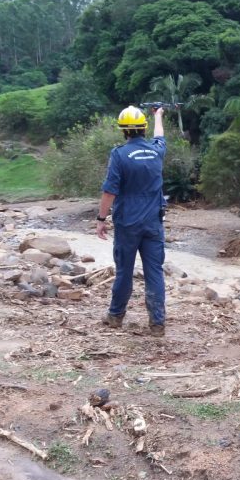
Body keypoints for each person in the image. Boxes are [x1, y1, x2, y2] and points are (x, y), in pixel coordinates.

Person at [96, 105, 168, 336]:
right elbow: (160, 136)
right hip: (153, 222)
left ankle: (116, 316)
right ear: (143, 128)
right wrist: (158, 115)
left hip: (128, 223)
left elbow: (109, 192)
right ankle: (157, 323)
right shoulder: (157, 151)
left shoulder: (119, 154)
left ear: (123, 131)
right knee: (154, 272)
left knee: (124, 271)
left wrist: (101, 218)